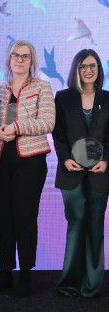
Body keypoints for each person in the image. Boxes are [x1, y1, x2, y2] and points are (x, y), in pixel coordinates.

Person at [0, 40, 55, 296]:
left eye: (25, 56)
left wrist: (16, 128)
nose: (19, 60)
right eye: (15, 55)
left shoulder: (43, 87)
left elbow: (48, 122)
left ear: (32, 61)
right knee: (2, 218)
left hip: (31, 161)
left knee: (25, 218)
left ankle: (26, 275)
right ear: (8, 59)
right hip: (0, 160)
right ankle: (5, 273)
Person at [53, 49, 109, 298]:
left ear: (99, 70)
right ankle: (70, 283)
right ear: (76, 69)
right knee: (76, 223)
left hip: (100, 173)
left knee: (95, 226)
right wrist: (65, 158)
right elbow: (59, 134)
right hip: (71, 171)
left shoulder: (108, 98)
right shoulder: (63, 97)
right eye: (83, 66)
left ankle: (91, 285)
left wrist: (107, 160)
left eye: (93, 66)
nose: (88, 70)